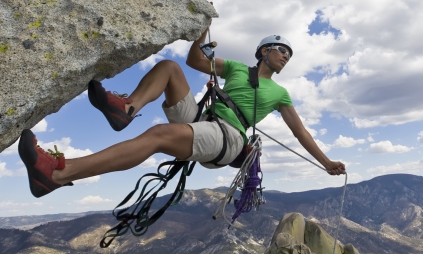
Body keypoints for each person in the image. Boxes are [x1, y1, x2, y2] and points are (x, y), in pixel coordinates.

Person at [19, 32, 346, 198]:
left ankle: (58, 174)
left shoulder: (280, 94)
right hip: (204, 120)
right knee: (170, 68)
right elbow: (194, 61)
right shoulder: (234, 68)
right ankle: (127, 109)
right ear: (264, 51)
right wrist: (201, 33)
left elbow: (300, 131)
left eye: (289, 55)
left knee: (158, 136)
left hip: (229, 137)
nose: (286, 57)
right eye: (281, 50)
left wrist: (325, 161)